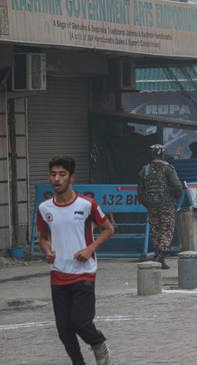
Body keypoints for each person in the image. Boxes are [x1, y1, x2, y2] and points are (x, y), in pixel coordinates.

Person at [37, 156, 115, 365]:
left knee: (80, 323)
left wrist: (90, 249)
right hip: (58, 274)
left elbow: (108, 229)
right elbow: (43, 238)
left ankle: (98, 343)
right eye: (53, 174)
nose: (56, 179)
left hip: (83, 272)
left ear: (72, 178)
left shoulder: (87, 205)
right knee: (64, 330)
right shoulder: (45, 208)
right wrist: (47, 251)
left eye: (61, 174)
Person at [137, 144, 183, 269]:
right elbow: (177, 187)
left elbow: (140, 190)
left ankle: (159, 258)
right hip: (166, 204)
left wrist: (147, 203)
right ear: (163, 154)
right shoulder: (168, 169)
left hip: (151, 205)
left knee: (156, 231)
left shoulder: (145, 169)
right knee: (167, 230)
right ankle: (161, 255)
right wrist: (176, 196)